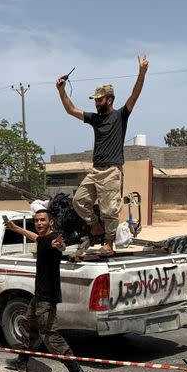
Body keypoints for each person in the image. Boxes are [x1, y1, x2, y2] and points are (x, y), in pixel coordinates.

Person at [57, 55, 149, 257]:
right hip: (95, 169)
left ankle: (109, 243)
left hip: (111, 171)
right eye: (95, 100)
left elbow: (135, 95)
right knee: (79, 201)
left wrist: (141, 73)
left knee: (110, 210)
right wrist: (61, 91)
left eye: (99, 100)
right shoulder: (95, 119)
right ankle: (95, 226)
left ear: (109, 99)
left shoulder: (120, 115)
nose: (96, 103)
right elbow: (71, 110)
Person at [2, 207, 87, 372]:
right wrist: (14, 228)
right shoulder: (43, 238)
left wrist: (61, 246)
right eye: (37, 220)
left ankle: (75, 369)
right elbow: (36, 238)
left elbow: (59, 246)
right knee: (28, 326)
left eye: (42, 220)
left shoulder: (53, 240)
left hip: (47, 297)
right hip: (38, 295)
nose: (39, 223)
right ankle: (22, 361)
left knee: (49, 334)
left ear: (51, 222)